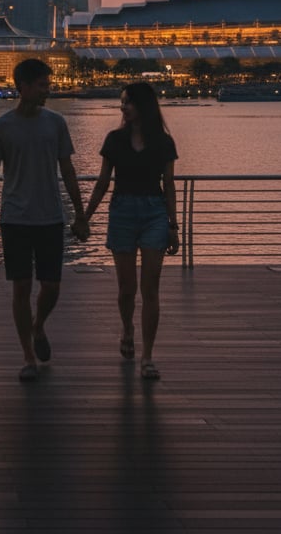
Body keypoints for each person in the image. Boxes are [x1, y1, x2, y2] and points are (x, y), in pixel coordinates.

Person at [0, 58, 90, 383]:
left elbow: (67, 170)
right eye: (42, 85)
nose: (48, 91)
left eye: (48, 84)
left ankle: (38, 325)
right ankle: (28, 356)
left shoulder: (56, 123)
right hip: (14, 217)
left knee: (51, 286)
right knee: (21, 287)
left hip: (50, 217)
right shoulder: (1, 126)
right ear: (23, 87)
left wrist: (80, 213)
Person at [85, 82, 180, 380]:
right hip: (122, 211)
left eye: (127, 102)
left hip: (154, 212)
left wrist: (173, 225)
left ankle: (147, 356)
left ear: (143, 106)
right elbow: (103, 182)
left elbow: (169, 185)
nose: (122, 107)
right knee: (127, 288)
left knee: (150, 289)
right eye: (122, 101)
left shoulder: (163, 142)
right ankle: (127, 328)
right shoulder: (114, 140)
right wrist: (85, 217)